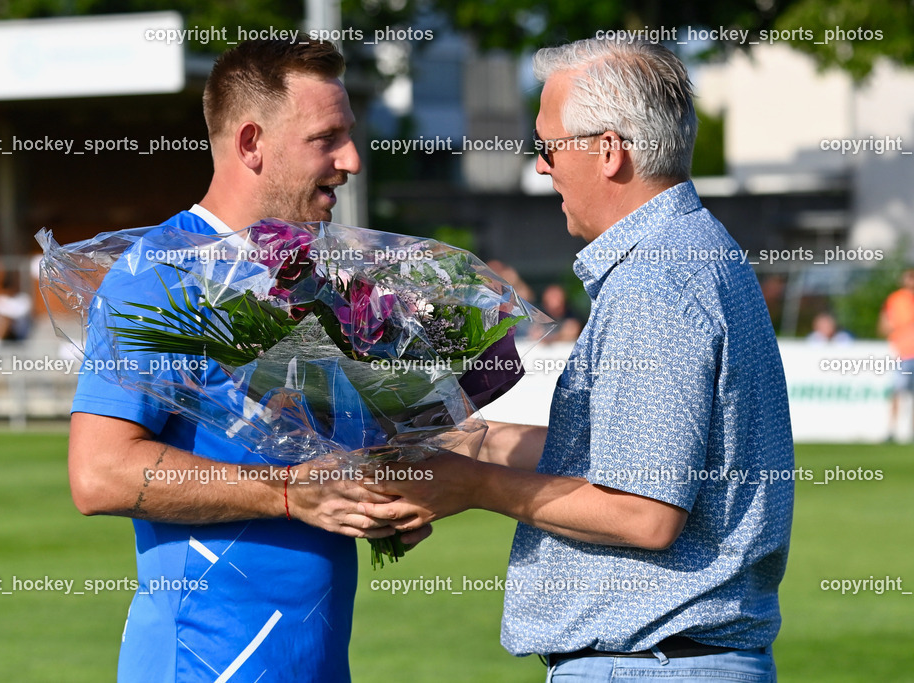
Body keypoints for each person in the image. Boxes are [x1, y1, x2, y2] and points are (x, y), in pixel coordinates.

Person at [363, 39, 793, 682]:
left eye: (548, 147)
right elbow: (623, 459)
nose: (542, 168)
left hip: (650, 666)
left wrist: (474, 486)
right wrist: (460, 443)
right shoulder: (690, 252)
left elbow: (643, 513)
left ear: (609, 150)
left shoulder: (655, 283)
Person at [67, 39, 423, 683]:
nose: (352, 160)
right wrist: (289, 495)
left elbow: (330, 462)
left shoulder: (310, 282)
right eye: (327, 137)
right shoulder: (159, 277)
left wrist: (381, 497)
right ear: (252, 142)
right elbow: (99, 473)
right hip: (202, 666)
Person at [879, 268, 914, 441]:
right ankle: (891, 430)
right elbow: (885, 320)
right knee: (897, 391)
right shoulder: (896, 299)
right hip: (904, 353)